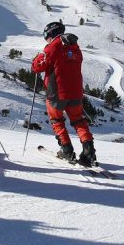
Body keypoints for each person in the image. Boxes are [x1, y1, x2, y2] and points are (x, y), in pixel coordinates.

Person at [31, 21, 96, 166]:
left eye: (46, 36)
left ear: (51, 34)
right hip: (76, 92)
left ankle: (66, 149)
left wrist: (37, 59)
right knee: (78, 120)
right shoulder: (74, 46)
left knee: (57, 120)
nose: (46, 40)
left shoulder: (53, 46)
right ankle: (88, 151)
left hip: (57, 92)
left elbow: (38, 67)